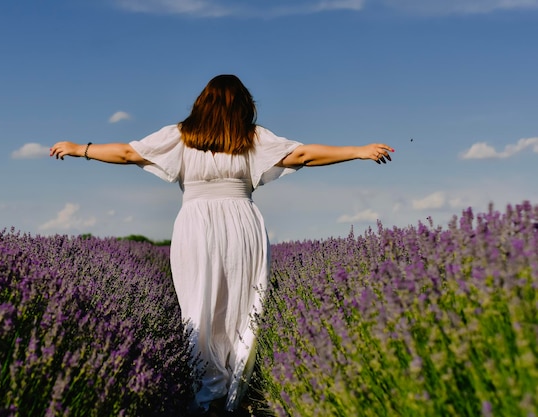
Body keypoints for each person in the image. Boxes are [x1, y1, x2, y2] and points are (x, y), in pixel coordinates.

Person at [50, 74, 393, 416]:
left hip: (196, 226)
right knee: (244, 308)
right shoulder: (252, 139)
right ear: (245, 105)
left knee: (198, 304)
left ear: (202, 103)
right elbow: (302, 155)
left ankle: (208, 393)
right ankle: (237, 393)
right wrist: (357, 152)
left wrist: (81, 149)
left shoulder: (180, 137)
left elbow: (127, 153)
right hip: (242, 225)